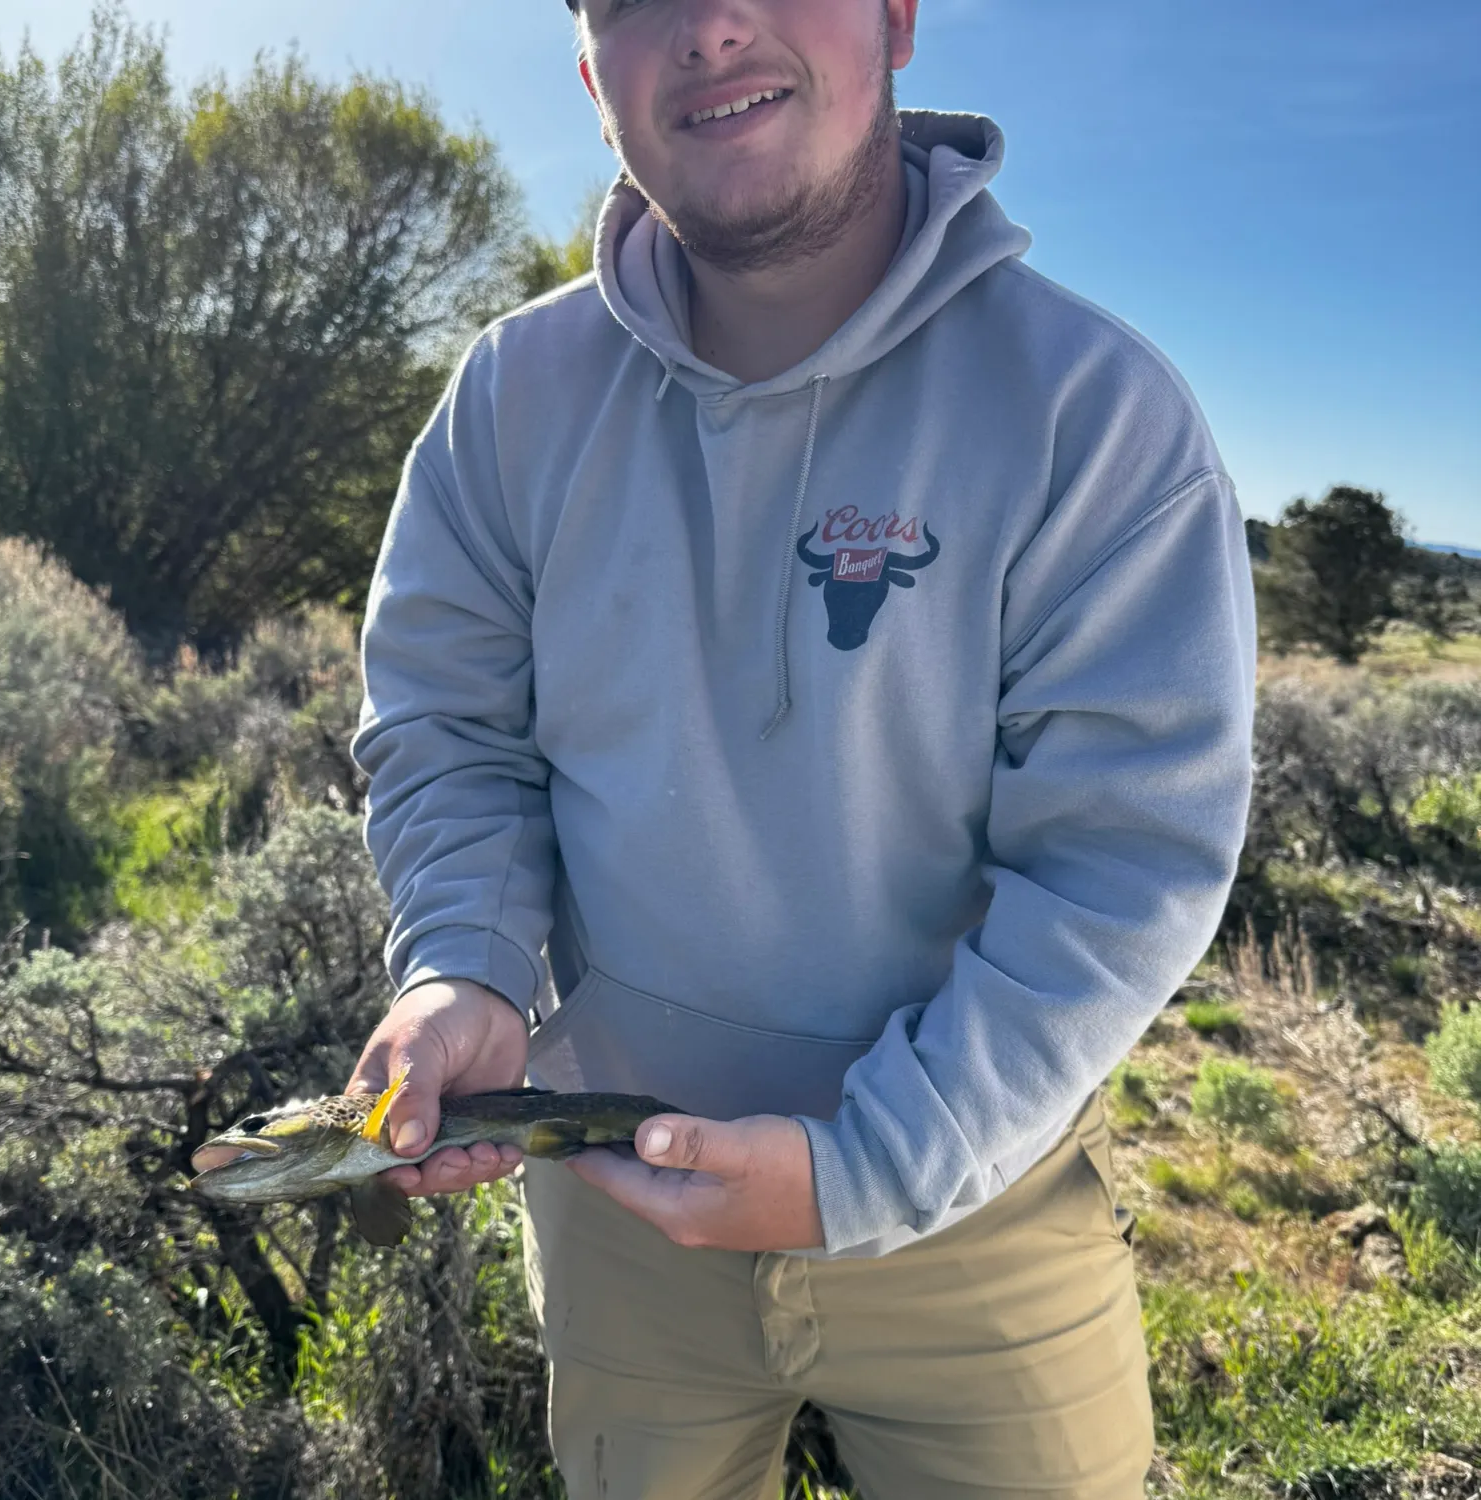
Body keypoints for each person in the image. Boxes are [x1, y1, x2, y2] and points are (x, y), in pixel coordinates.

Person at [346, 0, 1256, 1495]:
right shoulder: (506, 405)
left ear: (899, 17)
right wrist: (466, 964)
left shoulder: (1098, 420)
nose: (709, 24)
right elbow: (451, 730)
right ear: (594, 79)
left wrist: (870, 1167)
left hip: (983, 1213)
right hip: (610, 1202)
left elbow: (1118, 864)